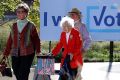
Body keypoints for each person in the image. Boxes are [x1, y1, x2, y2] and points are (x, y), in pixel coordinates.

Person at [3, 2, 40, 80]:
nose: (20, 13)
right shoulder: (14, 25)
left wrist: (38, 51)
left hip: (28, 53)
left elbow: (36, 40)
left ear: (26, 13)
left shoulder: (31, 25)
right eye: (18, 12)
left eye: (22, 12)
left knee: (24, 72)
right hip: (15, 53)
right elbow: (10, 40)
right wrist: (6, 53)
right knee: (16, 71)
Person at [68, 8, 92, 79]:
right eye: (71, 14)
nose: (72, 16)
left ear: (78, 16)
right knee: (71, 74)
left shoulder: (82, 26)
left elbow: (88, 39)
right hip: (69, 54)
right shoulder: (69, 26)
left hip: (78, 53)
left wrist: (84, 49)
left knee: (77, 74)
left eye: (73, 14)